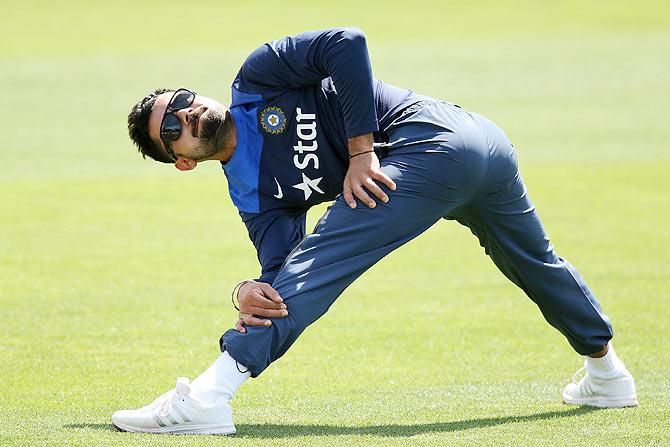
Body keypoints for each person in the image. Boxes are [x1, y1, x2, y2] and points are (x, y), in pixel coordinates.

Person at [113, 28, 638, 435]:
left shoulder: (258, 78)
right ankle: (609, 377)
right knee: (532, 263)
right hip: (458, 158)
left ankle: (207, 398)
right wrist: (247, 289)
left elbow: (346, 42)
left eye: (182, 99)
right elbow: (287, 273)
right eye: (171, 129)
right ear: (181, 161)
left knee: (531, 263)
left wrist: (362, 153)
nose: (187, 114)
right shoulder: (251, 194)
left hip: (448, 140)